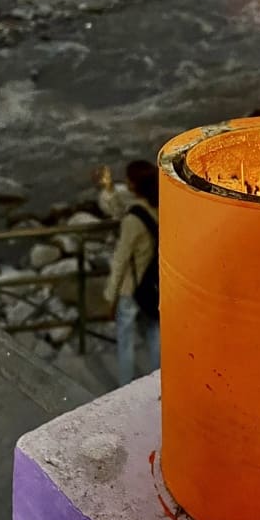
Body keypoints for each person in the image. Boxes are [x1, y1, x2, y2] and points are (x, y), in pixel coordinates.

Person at [103, 159, 160, 386]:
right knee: (154, 335)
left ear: (134, 185)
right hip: (153, 285)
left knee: (125, 340)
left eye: (128, 179)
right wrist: (109, 189)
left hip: (131, 287)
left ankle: (125, 387)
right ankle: (157, 384)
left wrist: (110, 296)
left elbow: (120, 260)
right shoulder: (158, 208)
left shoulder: (133, 220)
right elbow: (118, 209)